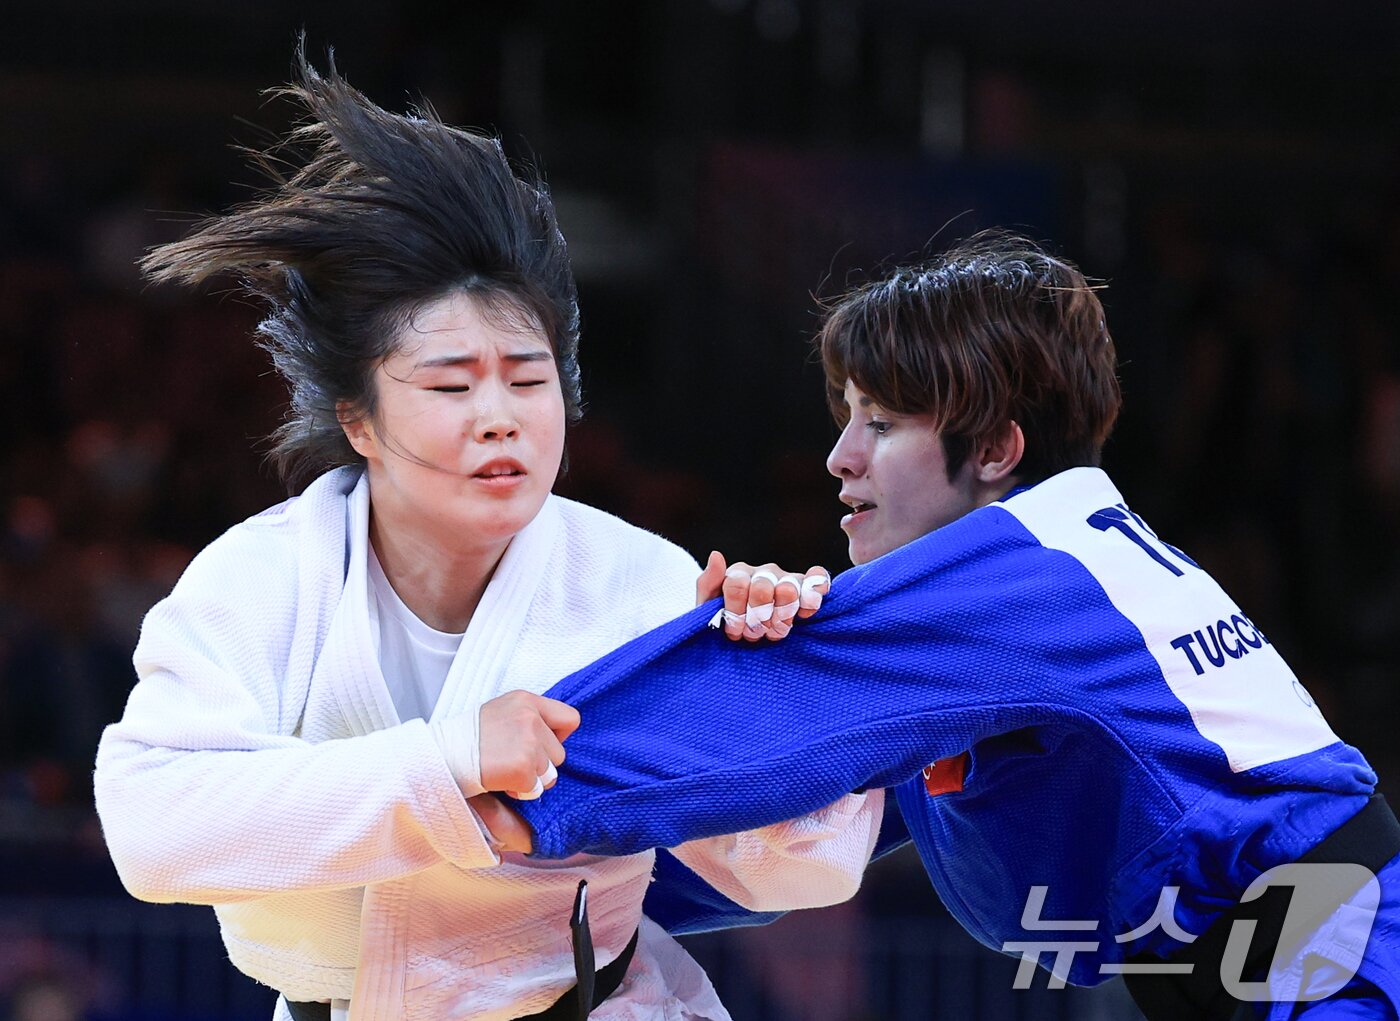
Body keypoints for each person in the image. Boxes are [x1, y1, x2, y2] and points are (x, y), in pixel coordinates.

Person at [92, 50, 882, 1021]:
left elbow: (807, 872)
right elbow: (152, 831)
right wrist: (449, 762)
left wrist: (759, 690)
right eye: (451, 384)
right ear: (360, 420)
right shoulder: (262, 579)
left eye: (526, 375)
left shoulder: (634, 580)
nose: (500, 415)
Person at [508, 232, 1400, 1019]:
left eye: (883, 423)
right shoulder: (1056, 574)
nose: (839, 456)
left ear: (994, 450)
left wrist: (464, 789)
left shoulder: (1031, 580)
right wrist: (551, 911)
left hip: (1345, 968)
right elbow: (798, 825)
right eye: (846, 417)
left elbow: (738, 717)